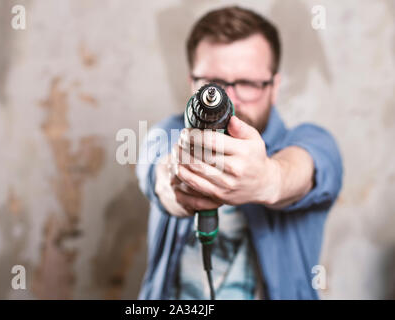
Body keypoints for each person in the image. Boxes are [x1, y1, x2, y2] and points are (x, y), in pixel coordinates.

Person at [136, 6, 342, 300]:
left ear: (274, 86)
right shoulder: (166, 134)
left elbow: (305, 168)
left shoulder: (311, 139)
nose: (228, 99)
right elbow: (156, 169)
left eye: (247, 83)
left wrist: (269, 179)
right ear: (192, 83)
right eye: (213, 83)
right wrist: (176, 183)